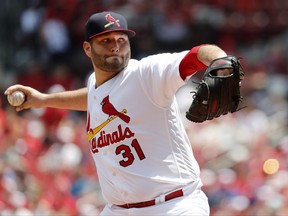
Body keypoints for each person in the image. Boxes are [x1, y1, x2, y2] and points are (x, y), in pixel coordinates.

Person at [5, 11, 233, 216]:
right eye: (106, 41)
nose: (115, 46)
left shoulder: (146, 74)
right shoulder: (96, 84)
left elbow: (199, 53)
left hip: (174, 205)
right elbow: (94, 98)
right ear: (87, 48)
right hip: (119, 211)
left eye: (121, 40)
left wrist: (222, 61)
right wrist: (43, 100)